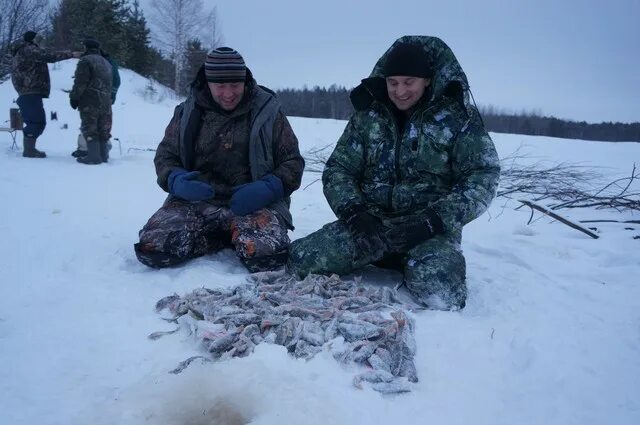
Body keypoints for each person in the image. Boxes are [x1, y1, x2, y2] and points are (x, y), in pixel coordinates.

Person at [287, 36, 500, 310]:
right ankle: (383, 255)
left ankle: (412, 258)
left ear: (427, 80)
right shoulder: (368, 116)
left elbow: (482, 176)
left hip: (427, 229)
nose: (400, 91)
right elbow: (339, 169)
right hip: (370, 225)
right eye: (393, 82)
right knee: (301, 260)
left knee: (442, 295)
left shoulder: (456, 118)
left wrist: (433, 221)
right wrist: (355, 213)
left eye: (409, 82)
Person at [135, 47, 305, 272]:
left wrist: (269, 187)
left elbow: (293, 162)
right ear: (208, 83)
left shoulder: (268, 111)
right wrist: (175, 180)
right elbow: (165, 156)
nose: (228, 93)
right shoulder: (187, 112)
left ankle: (225, 235)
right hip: (196, 203)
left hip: (253, 204)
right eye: (220, 86)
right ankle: (226, 236)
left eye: (235, 85)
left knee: (266, 256)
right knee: (154, 249)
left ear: (245, 81)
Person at [10, 30, 80, 158]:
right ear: (32, 40)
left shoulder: (22, 50)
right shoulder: (28, 49)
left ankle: (30, 149)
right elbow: (49, 55)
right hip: (30, 91)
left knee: (36, 121)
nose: (41, 43)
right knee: (36, 122)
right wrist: (72, 54)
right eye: (38, 40)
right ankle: (29, 150)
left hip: (29, 91)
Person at [69, 38, 113, 165]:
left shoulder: (86, 61)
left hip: (90, 100)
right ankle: (103, 156)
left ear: (86, 48)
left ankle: (93, 157)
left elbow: (80, 82)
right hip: (106, 102)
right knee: (103, 128)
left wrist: (74, 97)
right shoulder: (106, 62)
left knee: (90, 127)